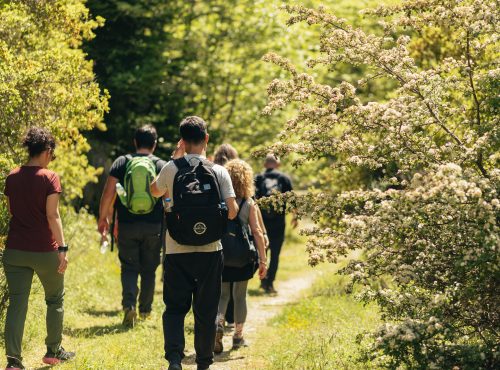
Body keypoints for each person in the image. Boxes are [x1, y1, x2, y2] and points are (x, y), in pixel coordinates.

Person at [151, 116, 238, 370]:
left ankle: (175, 359)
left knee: (176, 308)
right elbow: (232, 212)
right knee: (206, 310)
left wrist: (173, 158)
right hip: (211, 251)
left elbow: (155, 190)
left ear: (182, 140)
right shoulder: (219, 171)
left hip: (177, 250)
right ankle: (203, 363)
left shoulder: (171, 168)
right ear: (206, 139)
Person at [2, 127, 75, 370]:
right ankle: (53, 352)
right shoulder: (50, 177)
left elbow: (13, 211)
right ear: (46, 151)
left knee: (17, 304)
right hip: (45, 250)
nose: (51, 158)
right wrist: (62, 248)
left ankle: (13, 361)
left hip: (15, 251)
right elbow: (53, 216)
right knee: (55, 299)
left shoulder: (12, 176)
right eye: (52, 153)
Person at [97, 124, 167, 327]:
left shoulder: (122, 162)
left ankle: (129, 307)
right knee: (149, 269)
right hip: (153, 226)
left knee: (128, 268)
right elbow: (167, 198)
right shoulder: (160, 164)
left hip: (127, 225)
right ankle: (145, 311)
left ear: (135, 142)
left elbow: (109, 193)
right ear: (154, 144)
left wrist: (103, 218)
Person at [214, 159, 267, 353]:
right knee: (240, 295)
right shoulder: (248, 203)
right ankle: (238, 336)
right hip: (243, 256)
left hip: (220, 253)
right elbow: (257, 232)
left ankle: (218, 323)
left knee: (223, 295)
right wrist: (263, 259)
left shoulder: (219, 200)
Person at [255, 154, 297, 295]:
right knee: (275, 253)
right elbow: (292, 200)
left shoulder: (258, 178)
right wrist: (295, 217)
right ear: (277, 164)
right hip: (278, 222)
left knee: (262, 252)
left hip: (261, 222)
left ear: (265, 164)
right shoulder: (284, 178)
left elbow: (252, 201)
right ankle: (270, 283)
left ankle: (263, 280)